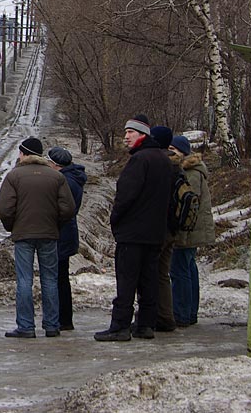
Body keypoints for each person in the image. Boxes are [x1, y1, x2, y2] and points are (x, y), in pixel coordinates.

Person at [95, 115, 173, 342]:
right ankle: (145, 325)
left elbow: (125, 196)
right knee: (149, 281)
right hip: (155, 232)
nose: (125, 137)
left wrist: (116, 220)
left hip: (133, 233)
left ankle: (120, 326)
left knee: (127, 281)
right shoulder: (164, 160)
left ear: (142, 135)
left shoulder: (140, 160)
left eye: (130, 132)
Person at [0, 137, 75, 338]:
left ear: (23, 154)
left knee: (24, 280)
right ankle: (52, 325)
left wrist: (12, 226)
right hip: (49, 234)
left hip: (23, 236)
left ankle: (26, 326)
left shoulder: (14, 177)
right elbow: (68, 208)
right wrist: (55, 225)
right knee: (50, 279)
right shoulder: (56, 177)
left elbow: (5, 208)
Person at [169, 134, 214, 327]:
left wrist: (178, 228)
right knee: (188, 268)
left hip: (188, 230)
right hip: (194, 229)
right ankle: (189, 312)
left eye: (173, 149)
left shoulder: (190, 173)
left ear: (182, 152)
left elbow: (187, 204)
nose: (170, 152)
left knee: (179, 270)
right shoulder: (194, 170)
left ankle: (182, 314)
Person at [47, 146, 87, 331]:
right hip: (67, 233)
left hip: (62, 233)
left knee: (59, 278)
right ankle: (64, 319)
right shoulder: (74, 178)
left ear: (56, 165)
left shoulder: (65, 182)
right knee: (61, 277)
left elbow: (63, 210)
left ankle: (63, 319)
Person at [149, 125, 179, 333]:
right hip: (172, 226)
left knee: (150, 272)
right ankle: (166, 315)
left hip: (157, 227)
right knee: (162, 274)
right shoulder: (177, 166)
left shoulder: (158, 165)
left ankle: (151, 317)